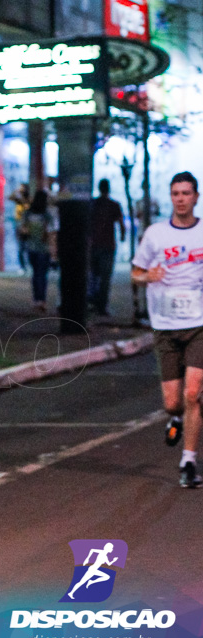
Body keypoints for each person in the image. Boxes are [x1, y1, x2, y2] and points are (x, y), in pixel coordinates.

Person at [131, 171, 203, 488]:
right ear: (171, 197)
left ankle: (188, 461)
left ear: (196, 197)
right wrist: (150, 276)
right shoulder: (156, 235)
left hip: (199, 324)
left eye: (186, 193)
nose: (181, 199)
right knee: (172, 402)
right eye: (176, 193)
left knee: (192, 393)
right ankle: (175, 418)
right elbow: (136, 271)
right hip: (165, 325)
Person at [89, 178, 126, 317]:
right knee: (105, 277)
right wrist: (122, 236)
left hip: (94, 244)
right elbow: (121, 223)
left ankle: (93, 302)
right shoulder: (114, 205)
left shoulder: (93, 204)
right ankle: (101, 306)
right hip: (108, 245)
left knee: (93, 276)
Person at [21, 189, 55, 313]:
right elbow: (51, 233)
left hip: (31, 248)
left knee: (36, 274)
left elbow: (23, 229)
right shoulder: (46, 215)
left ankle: (36, 299)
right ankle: (42, 300)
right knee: (43, 275)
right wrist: (53, 250)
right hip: (44, 248)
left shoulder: (28, 213)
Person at [9, 183, 31, 272]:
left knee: (27, 245)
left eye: (22, 188)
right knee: (21, 246)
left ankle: (28, 264)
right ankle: (23, 266)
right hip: (19, 223)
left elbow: (25, 204)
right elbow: (10, 197)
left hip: (27, 224)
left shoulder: (28, 200)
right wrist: (16, 191)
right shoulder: (18, 200)